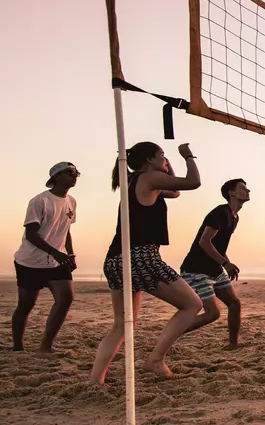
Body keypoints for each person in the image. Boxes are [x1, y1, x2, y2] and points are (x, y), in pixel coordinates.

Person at [91, 142, 204, 382]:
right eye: (162, 156)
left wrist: (167, 165)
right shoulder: (150, 178)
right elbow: (193, 182)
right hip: (141, 256)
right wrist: (188, 156)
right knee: (192, 304)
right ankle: (155, 360)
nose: (165, 159)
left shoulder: (137, 180)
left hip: (116, 258)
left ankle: (95, 379)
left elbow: (175, 192)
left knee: (121, 325)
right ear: (149, 160)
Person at [12, 162, 79, 353]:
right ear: (56, 177)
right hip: (30, 261)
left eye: (76, 173)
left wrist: (70, 253)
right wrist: (55, 252)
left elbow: (66, 230)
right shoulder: (39, 201)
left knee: (66, 297)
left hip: (56, 262)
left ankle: (46, 346)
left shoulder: (71, 201)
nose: (74, 176)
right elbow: (31, 235)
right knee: (26, 304)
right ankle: (17, 347)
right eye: (70, 173)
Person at [180, 178, 249, 347]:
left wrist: (227, 263)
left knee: (234, 303)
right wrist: (225, 264)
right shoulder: (220, 213)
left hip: (215, 269)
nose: (248, 190)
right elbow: (205, 242)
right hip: (196, 270)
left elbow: (219, 245)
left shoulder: (235, 217)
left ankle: (233, 344)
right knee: (212, 313)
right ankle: (172, 332)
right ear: (231, 193)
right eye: (242, 188)